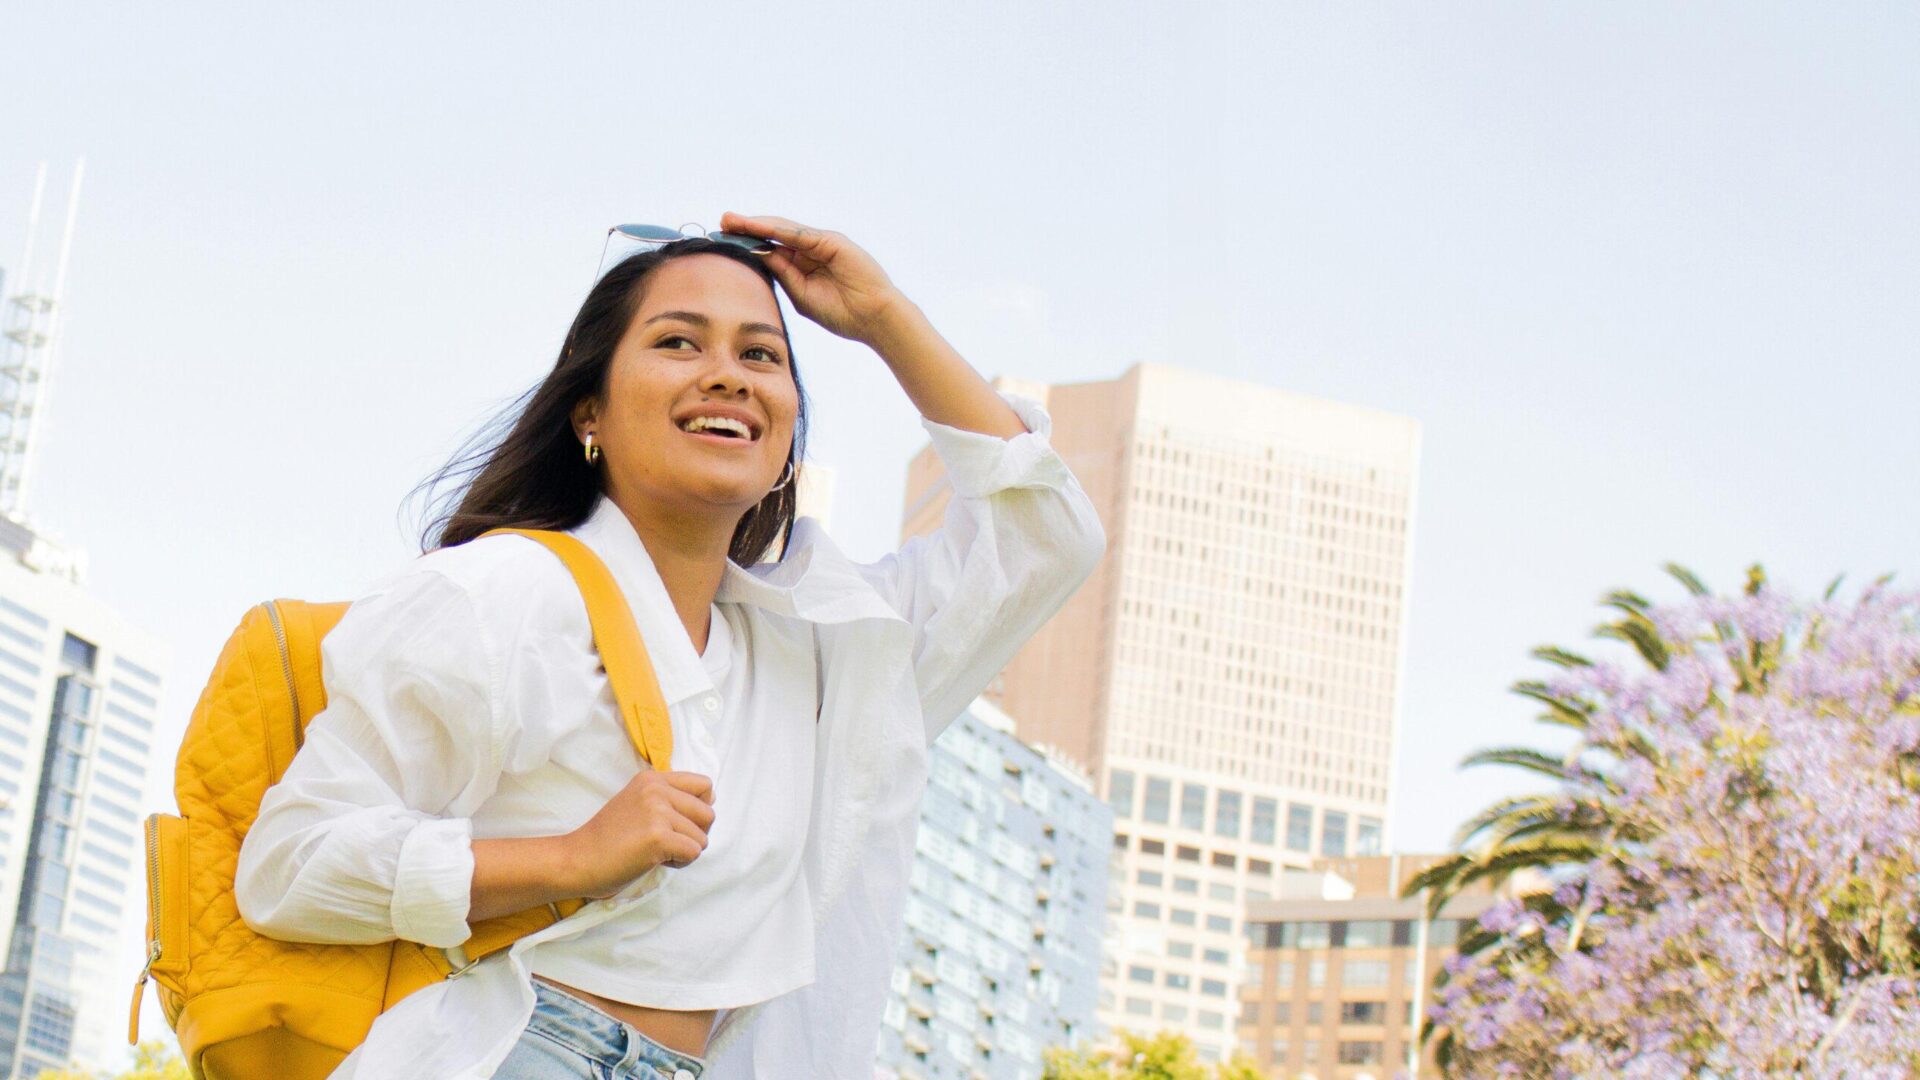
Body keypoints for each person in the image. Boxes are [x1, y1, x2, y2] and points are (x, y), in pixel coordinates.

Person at [234, 212, 1106, 1080]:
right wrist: (571, 859)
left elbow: (1044, 542)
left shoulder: (822, 649)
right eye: (680, 344)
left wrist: (882, 317)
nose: (727, 377)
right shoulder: (502, 594)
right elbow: (289, 865)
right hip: (522, 1049)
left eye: (760, 355)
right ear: (591, 411)